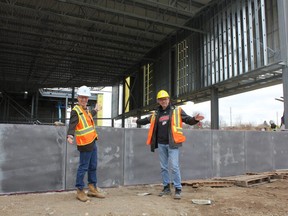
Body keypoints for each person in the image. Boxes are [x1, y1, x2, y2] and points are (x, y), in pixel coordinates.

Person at [136, 90, 204, 200]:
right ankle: (166, 188)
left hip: (172, 143)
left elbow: (187, 119)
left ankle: (178, 189)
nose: (164, 101)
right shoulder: (156, 113)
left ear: (169, 99)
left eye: (166, 99)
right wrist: (137, 121)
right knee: (164, 167)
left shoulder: (177, 111)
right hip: (161, 143)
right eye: (162, 99)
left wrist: (194, 120)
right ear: (158, 101)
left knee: (174, 166)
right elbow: (146, 120)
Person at [67, 85, 105, 202]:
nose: (84, 99)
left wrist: (96, 110)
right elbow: (72, 124)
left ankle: (92, 188)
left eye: (86, 97)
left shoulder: (86, 110)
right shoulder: (76, 111)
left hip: (92, 141)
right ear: (78, 98)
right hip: (84, 143)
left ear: (88, 99)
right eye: (82, 97)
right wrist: (70, 135)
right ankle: (79, 190)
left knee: (93, 166)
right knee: (83, 167)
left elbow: (88, 117)